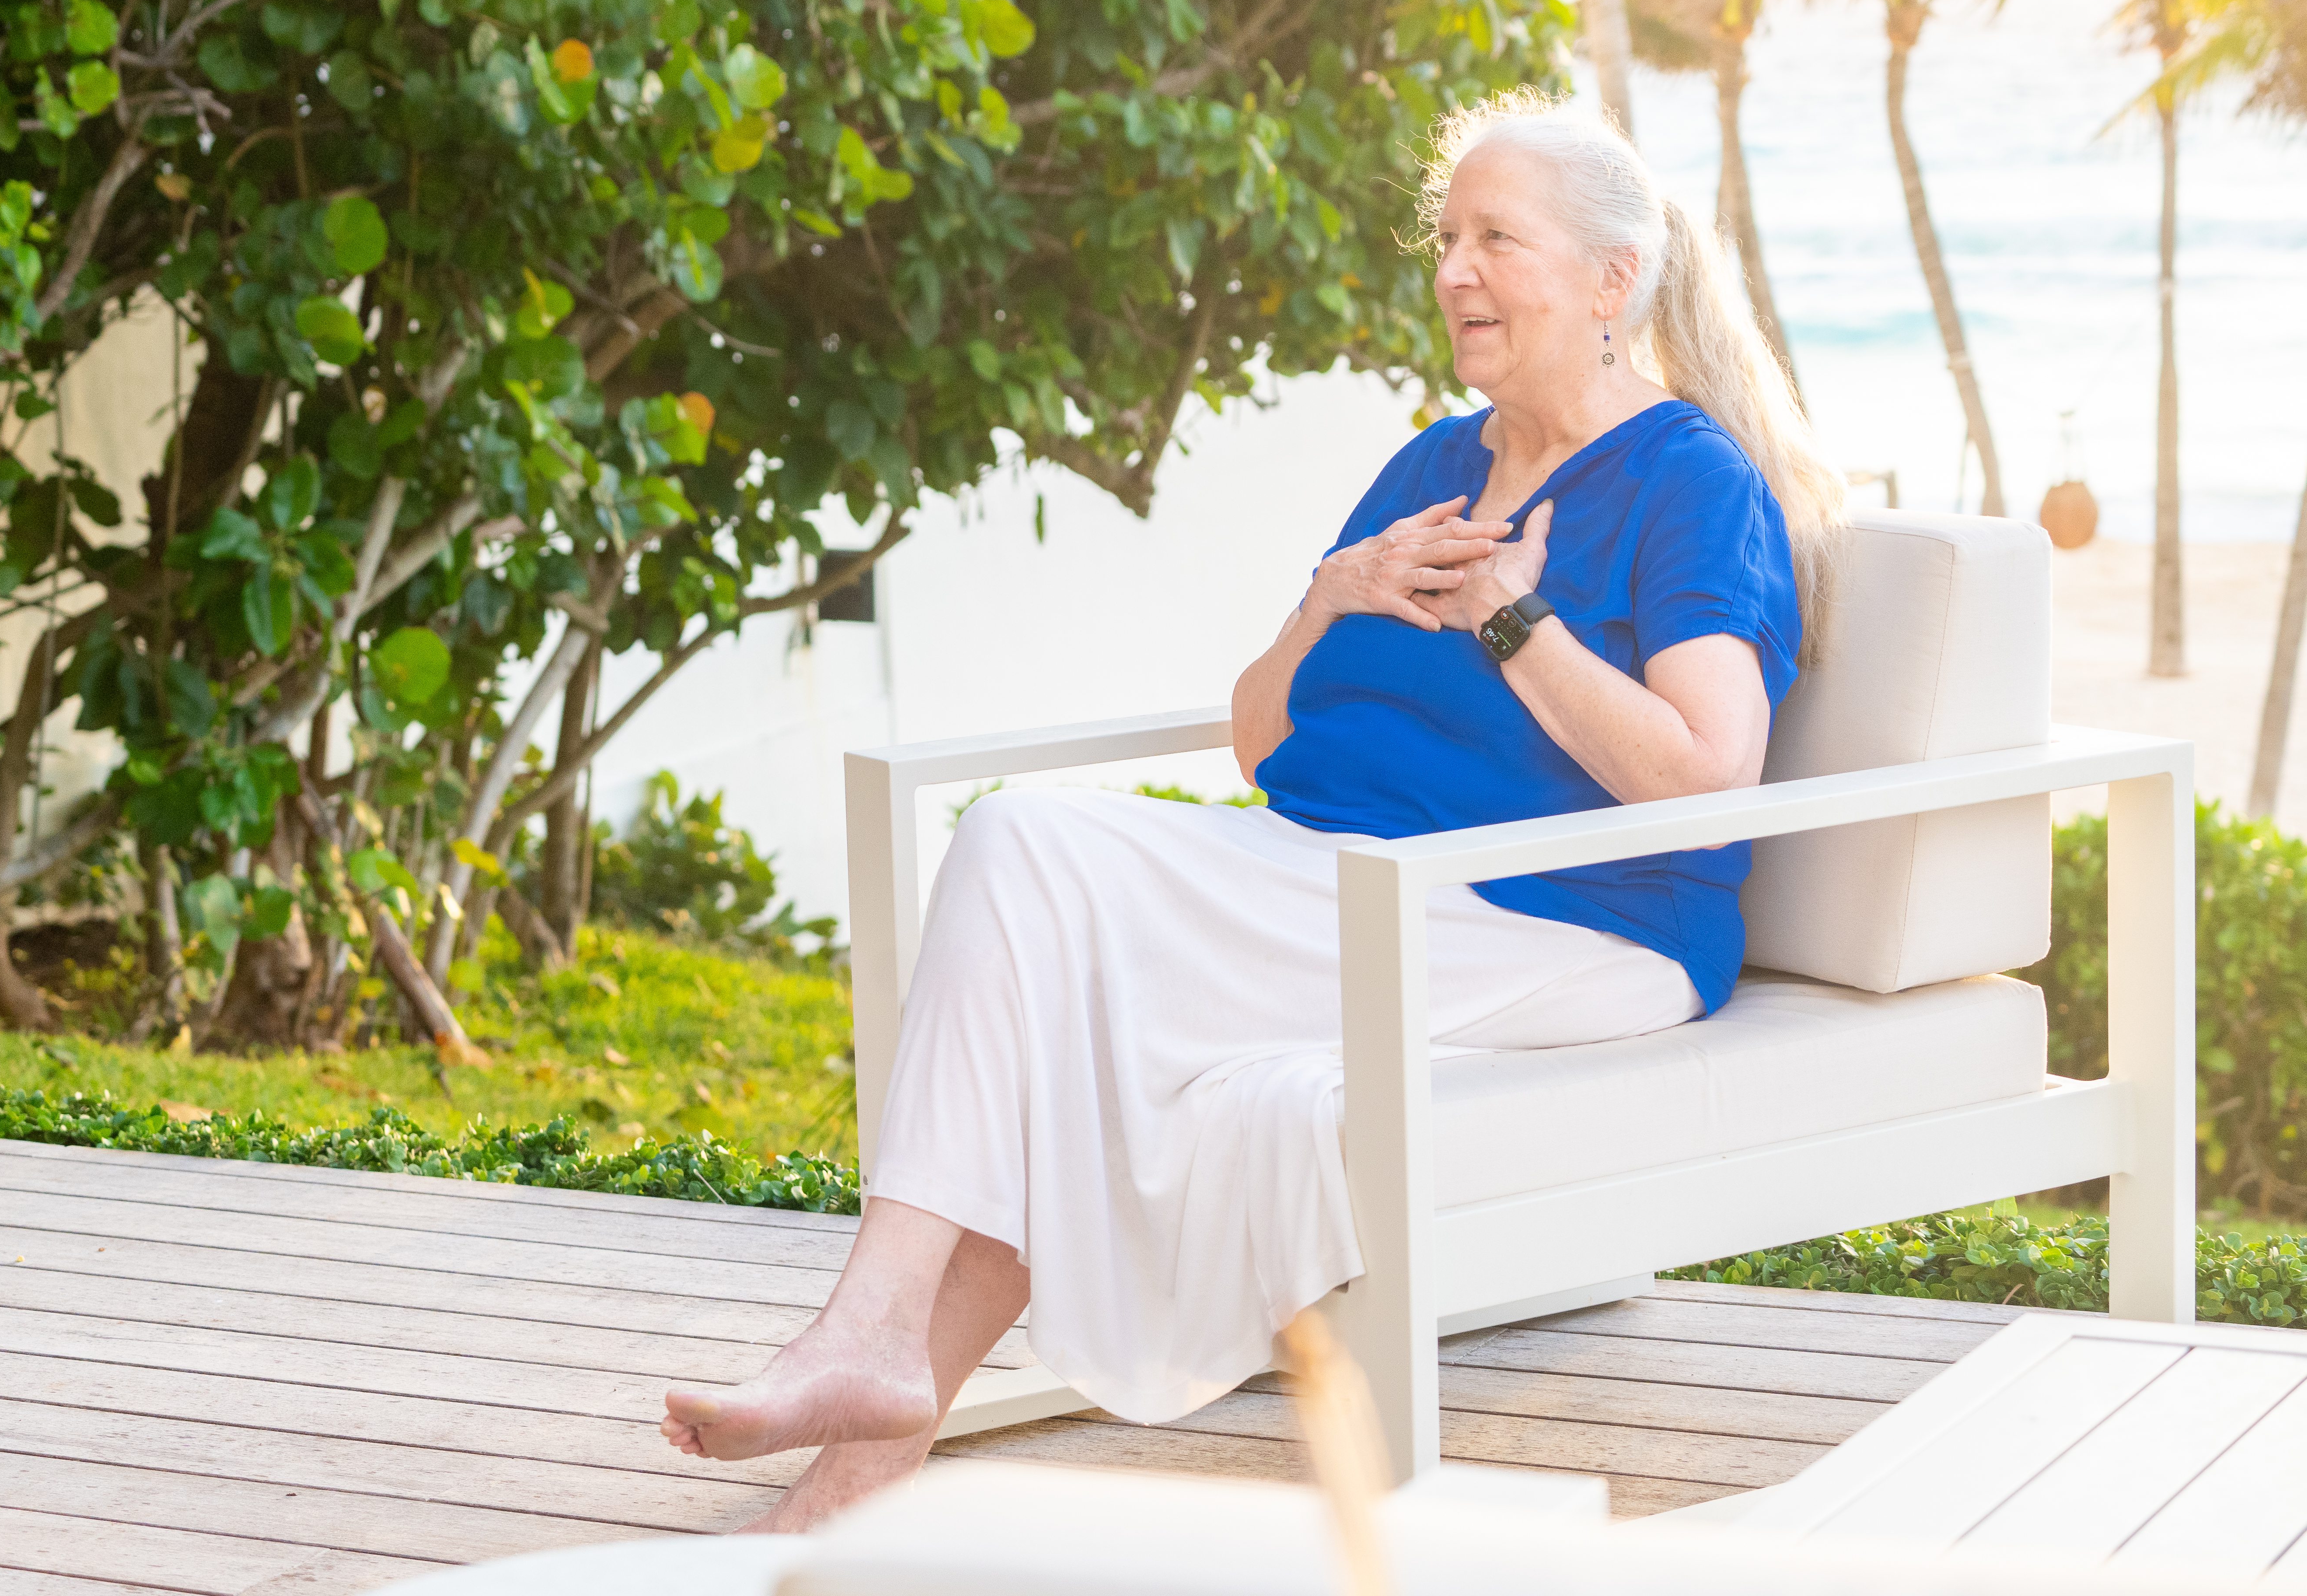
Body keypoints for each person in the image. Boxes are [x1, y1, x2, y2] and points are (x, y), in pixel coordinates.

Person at [657, 87, 1851, 1530]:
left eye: (1498, 240)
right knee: (1017, 846)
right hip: (1331, 875)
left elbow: (1707, 776)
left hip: (1564, 916)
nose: (1457, 270)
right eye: (1448, 237)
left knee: (1039, 886)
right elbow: (1256, 738)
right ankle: (866, 1419)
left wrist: (1513, 618)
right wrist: (1330, 600)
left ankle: (863, 1401)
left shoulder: (1689, 483)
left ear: (1612, 281)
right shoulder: (1430, 465)